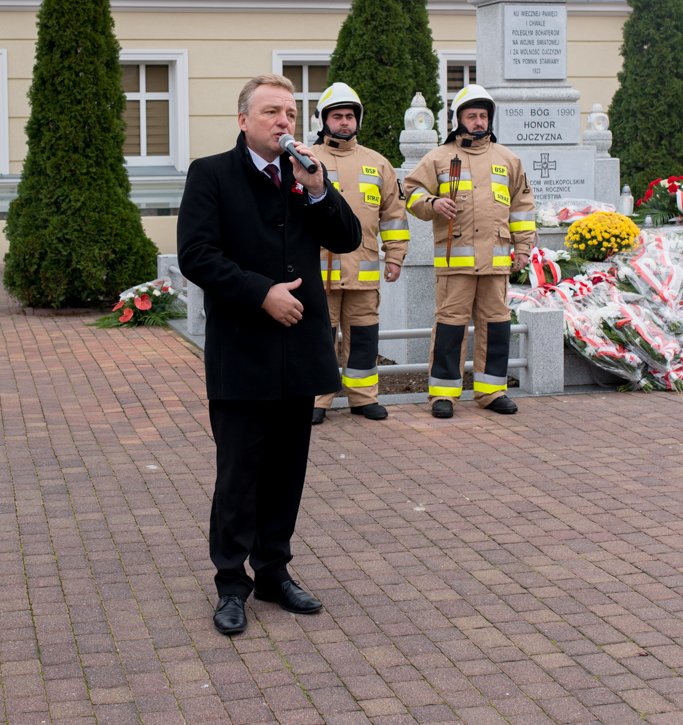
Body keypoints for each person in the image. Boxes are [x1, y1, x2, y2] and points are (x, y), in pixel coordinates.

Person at [177, 74, 361, 635]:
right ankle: (232, 583)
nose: (284, 121)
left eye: (289, 112)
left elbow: (348, 238)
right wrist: (261, 292)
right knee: (239, 472)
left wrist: (320, 188)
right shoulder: (210, 174)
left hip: (298, 350)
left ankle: (275, 571)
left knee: (287, 471)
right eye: (271, 112)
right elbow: (196, 256)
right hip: (243, 350)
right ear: (243, 121)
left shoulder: (303, 175)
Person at [403, 84, 535, 419]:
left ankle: (492, 391)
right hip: (455, 263)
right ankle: (443, 395)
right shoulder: (438, 157)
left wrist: (523, 248)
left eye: (483, 116)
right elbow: (411, 193)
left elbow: (522, 208)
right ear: (458, 119)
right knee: (450, 326)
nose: (478, 121)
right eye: (471, 115)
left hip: (496, 260)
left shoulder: (508, 159)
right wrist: (432, 202)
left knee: (497, 324)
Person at [310, 83, 409, 424]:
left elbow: (394, 216)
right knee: (319, 338)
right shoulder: (306, 160)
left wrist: (395, 256)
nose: (344, 123)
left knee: (364, 337)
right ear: (324, 121)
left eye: (349, 116)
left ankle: (363, 399)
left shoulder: (378, 164)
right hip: (319, 271)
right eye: (336, 116)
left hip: (364, 273)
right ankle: (316, 400)